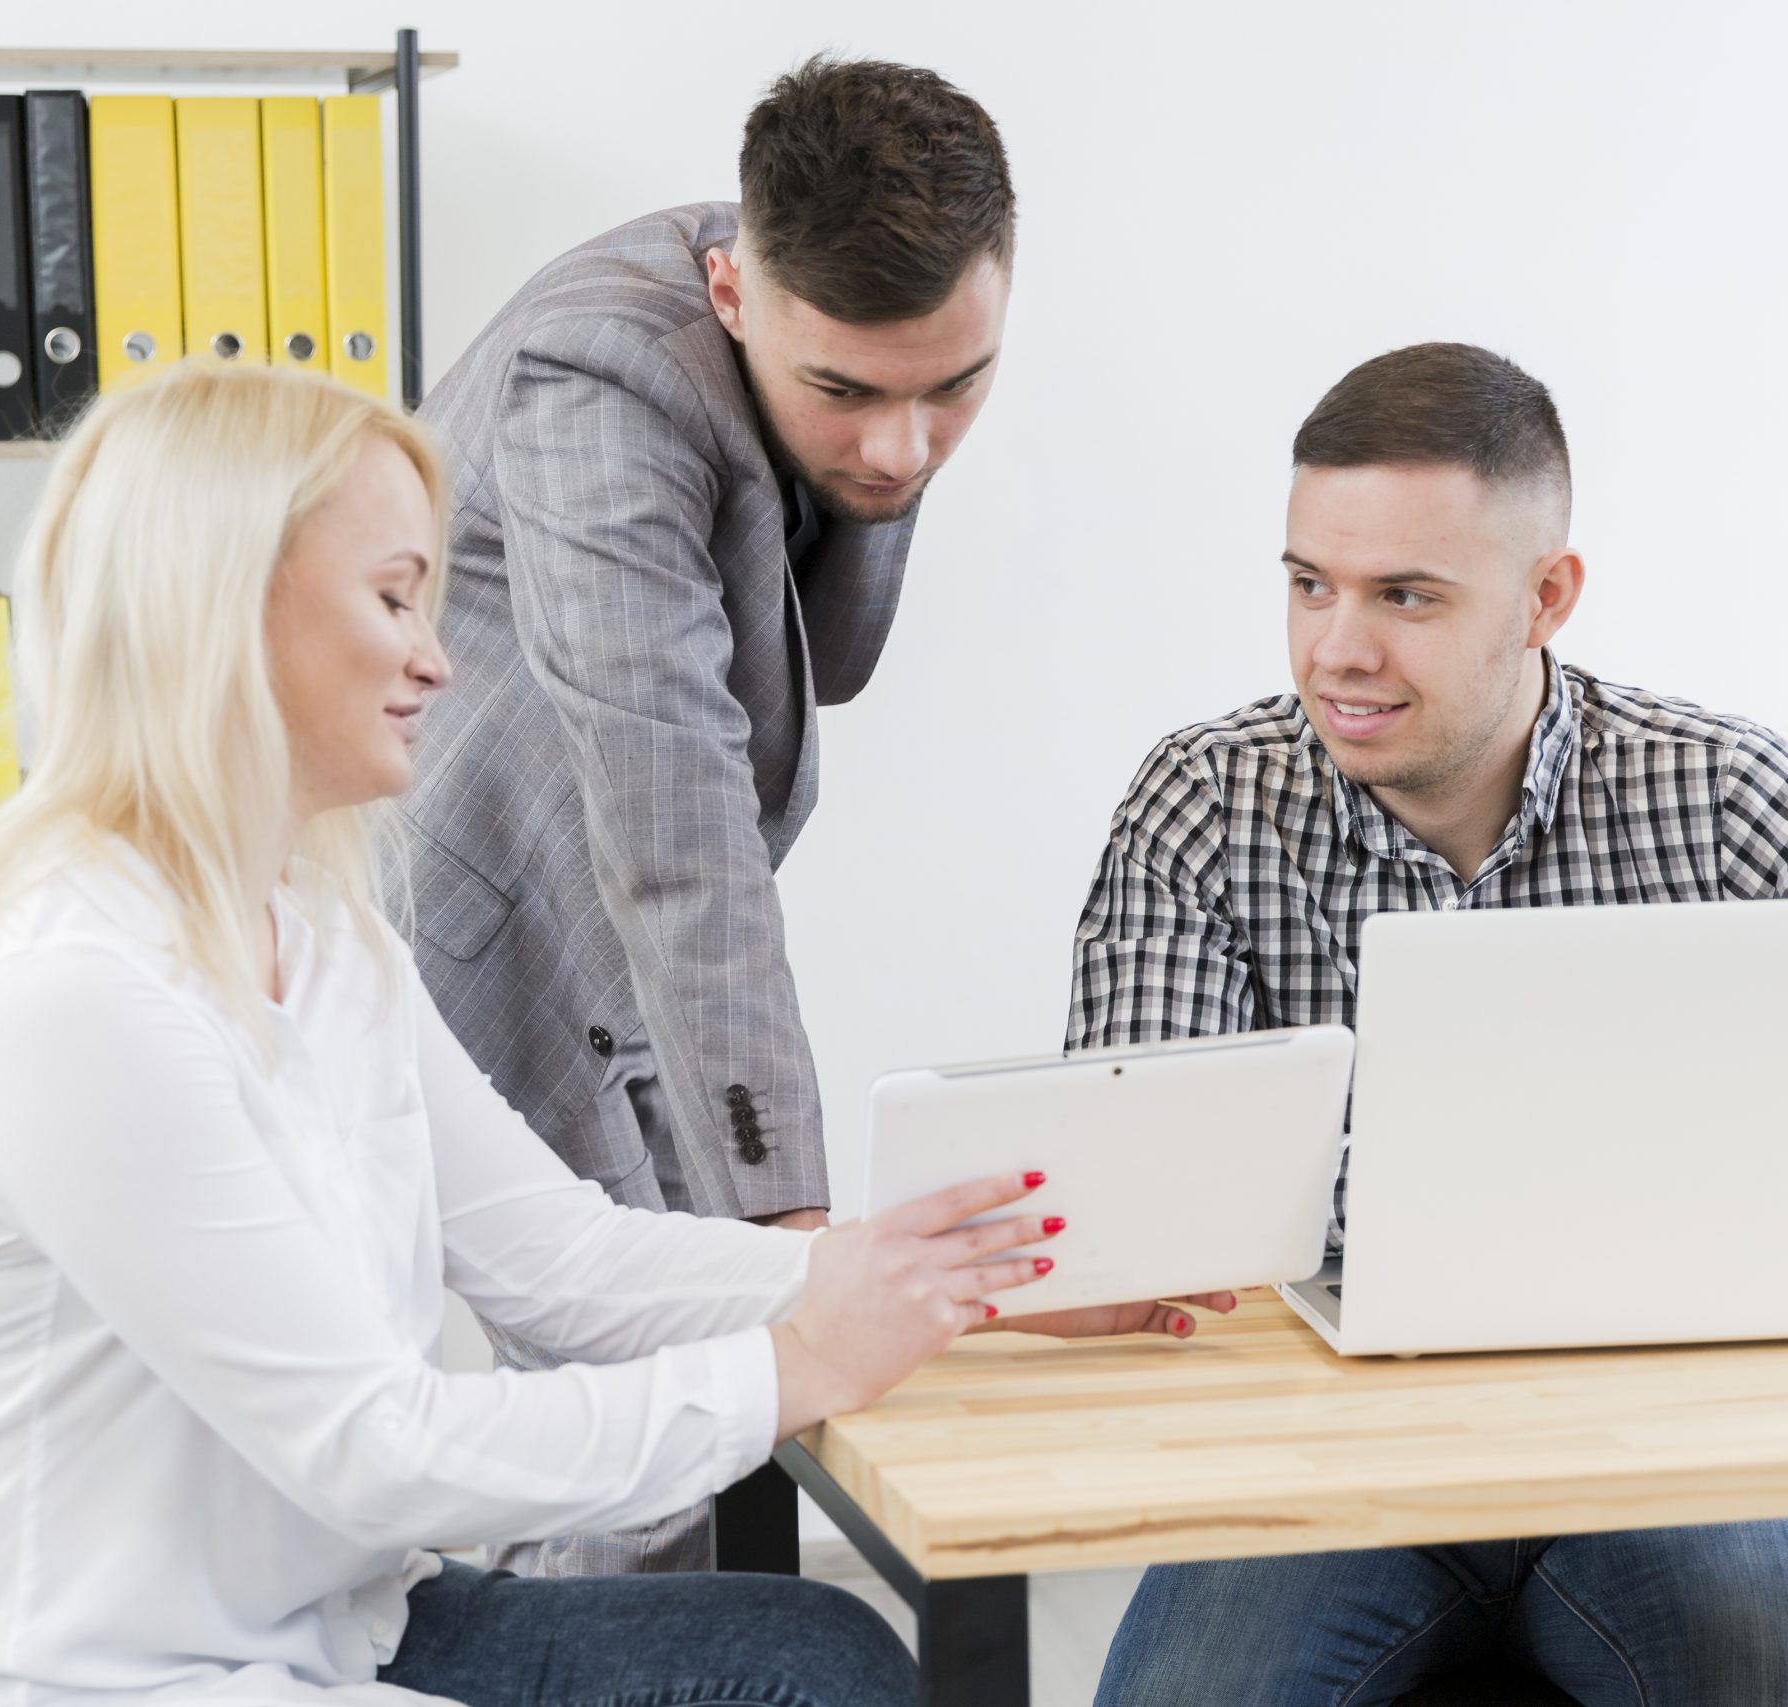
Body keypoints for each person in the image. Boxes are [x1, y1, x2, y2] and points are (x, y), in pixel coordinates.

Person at [0, 364, 1213, 1707]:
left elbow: (563, 1263)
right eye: (392, 598)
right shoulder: (69, 994)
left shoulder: (321, 931)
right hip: (98, 1684)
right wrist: (799, 1366)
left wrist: (941, 1283)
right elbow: (376, 1448)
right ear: (224, 605)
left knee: (824, 1660)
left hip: (338, 1629)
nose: (436, 661)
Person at [1068, 342, 1788, 1707]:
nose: (1338, 649)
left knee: (1770, 1659)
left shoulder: (1725, 798)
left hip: (1679, 1452)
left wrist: (1598, 1193)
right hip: (1329, 1459)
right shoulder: (1204, 805)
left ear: (1546, 597)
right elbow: (1144, 1203)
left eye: (1406, 595)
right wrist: (1647, 1184)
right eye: (1310, 583)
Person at [395, 54, 1015, 1574]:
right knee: (633, 1444)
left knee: (733, 1387)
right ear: (733, 292)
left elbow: (825, 653)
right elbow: (672, 814)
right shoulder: (597, 385)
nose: (901, 448)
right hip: (486, 902)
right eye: (848, 394)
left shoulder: (858, 331)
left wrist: (794, 1269)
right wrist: (798, 1240)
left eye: (953, 387)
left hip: (638, 901)